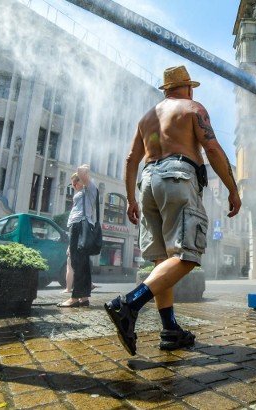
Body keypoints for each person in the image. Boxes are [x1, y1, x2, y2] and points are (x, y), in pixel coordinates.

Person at [104, 65, 241, 355]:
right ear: (188, 87)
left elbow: (131, 160)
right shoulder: (193, 108)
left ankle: (170, 329)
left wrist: (131, 198)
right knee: (186, 256)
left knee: (162, 260)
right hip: (178, 177)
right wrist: (233, 188)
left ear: (165, 90)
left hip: (148, 181)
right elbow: (213, 150)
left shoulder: (147, 118)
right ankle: (129, 305)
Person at [59, 165, 98, 307]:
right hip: (77, 227)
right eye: (72, 183)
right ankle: (84, 297)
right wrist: (70, 245)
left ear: (83, 180)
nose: (74, 185)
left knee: (78, 263)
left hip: (80, 226)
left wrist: (82, 170)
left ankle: (75, 298)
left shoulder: (89, 190)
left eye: (76, 182)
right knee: (81, 262)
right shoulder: (82, 192)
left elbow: (83, 173)